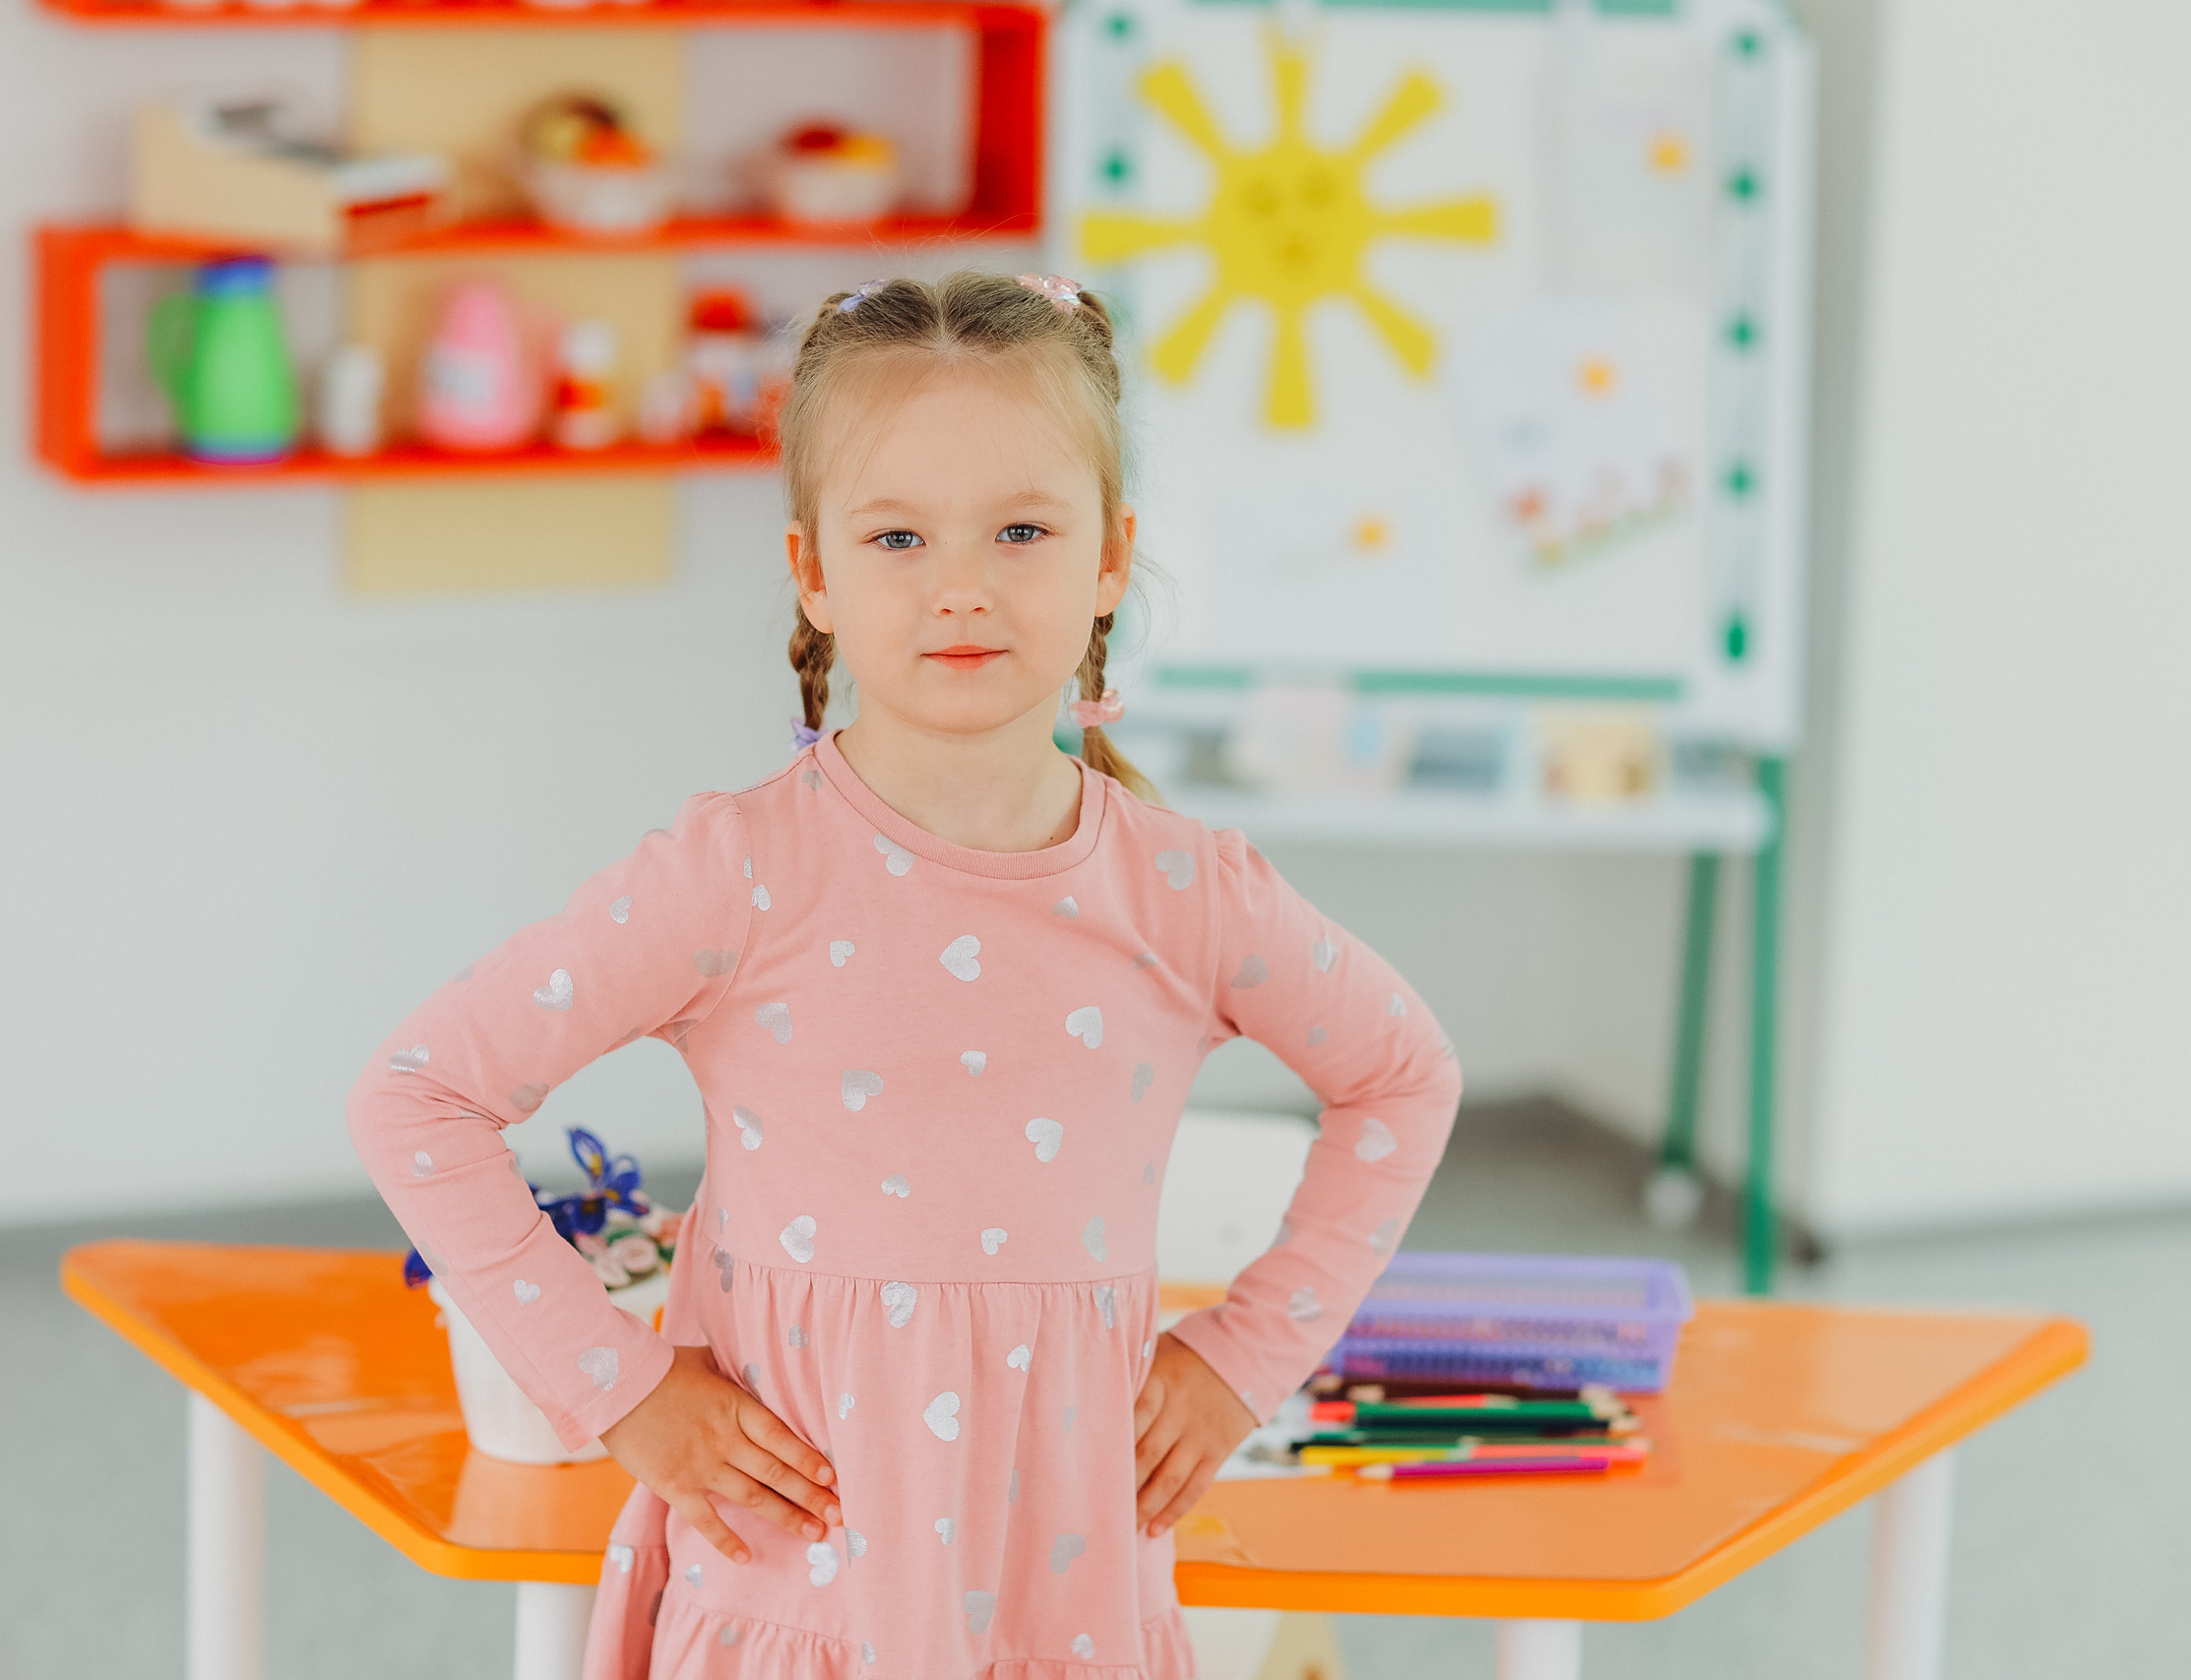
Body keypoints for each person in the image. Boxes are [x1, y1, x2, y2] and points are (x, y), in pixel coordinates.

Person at [344, 271, 1463, 1680]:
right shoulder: (736, 872)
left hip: (1071, 1611)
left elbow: (1404, 1077)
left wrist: (1245, 1356)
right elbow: (418, 1097)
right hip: (795, 1603)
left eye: (1022, 529)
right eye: (896, 535)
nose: (961, 586)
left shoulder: (1186, 891)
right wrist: (616, 1389)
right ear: (813, 572)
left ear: (1112, 557)